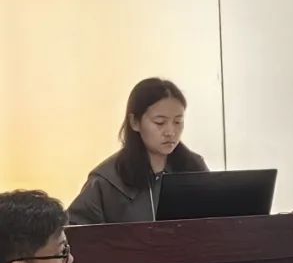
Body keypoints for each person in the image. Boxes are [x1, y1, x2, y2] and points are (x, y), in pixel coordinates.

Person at [68, 78, 208, 224]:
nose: (170, 132)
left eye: (178, 122)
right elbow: (75, 229)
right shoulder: (106, 181)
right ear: (134, 122)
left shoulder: (195, 167)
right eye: (160, 122)